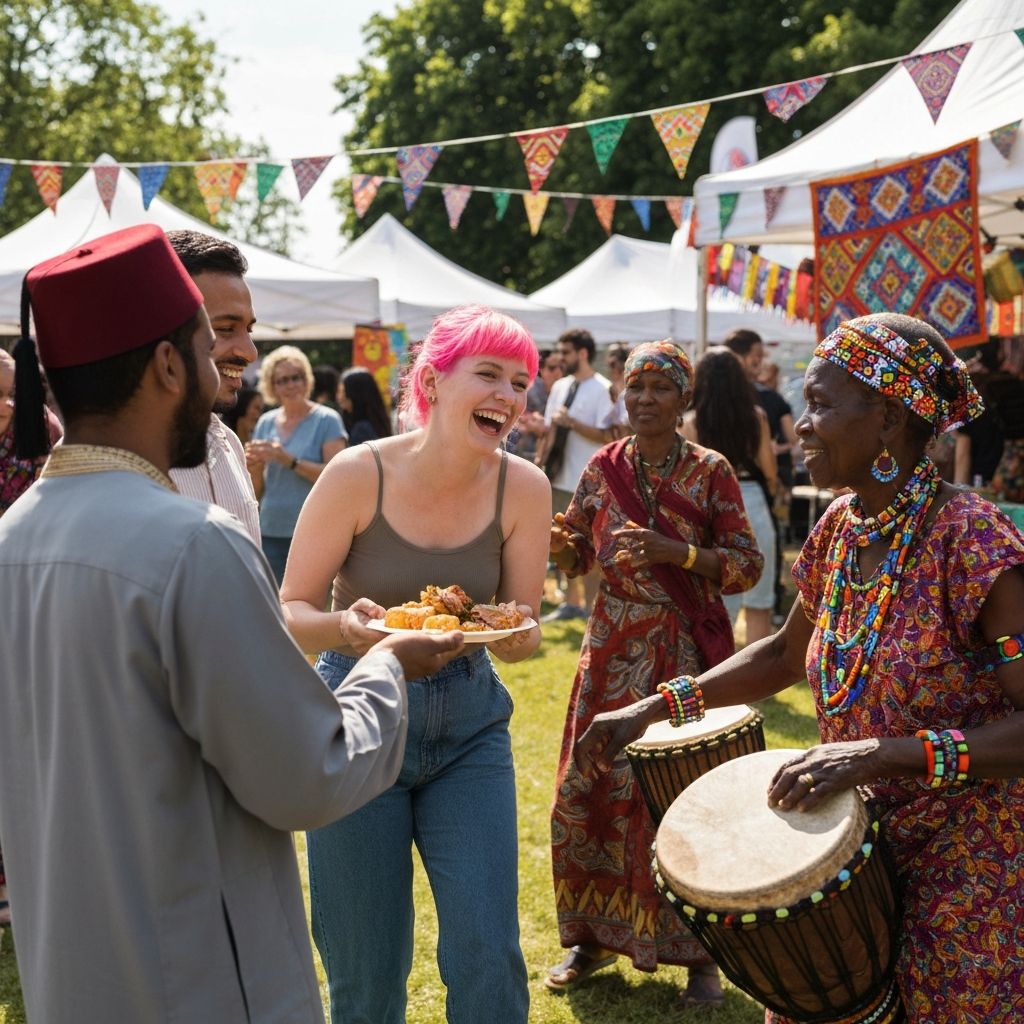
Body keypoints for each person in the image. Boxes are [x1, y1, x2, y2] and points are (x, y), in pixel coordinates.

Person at [0, 224, 467, 1023]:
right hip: (198, 974)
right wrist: (388, 666)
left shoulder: (13, 540)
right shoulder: (190, 542)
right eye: (209, 340)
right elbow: (308, 773)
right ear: (168, 364)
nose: (233, 359)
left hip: (71, 977)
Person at [575, 313, 1024, 1024]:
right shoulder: (840, 529)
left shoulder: (971, 540)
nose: (802, 425)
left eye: (819, 404)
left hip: (969, 858)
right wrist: (654, 706)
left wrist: (884, 754)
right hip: (849, 841)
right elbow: (786, 654)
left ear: (887, 418)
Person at [279, 305, 551, 1024]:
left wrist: (519, 635)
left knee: (489, 955)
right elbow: (291, 611)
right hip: (359, 716)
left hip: (470, 728)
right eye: (488, 374)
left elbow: (522, 622)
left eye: (519, 383)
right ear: (431, 381)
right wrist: (347, 628)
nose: (507, 396)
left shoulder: (525, 487)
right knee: (364, 971)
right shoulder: (356, 473)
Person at [546, 341, 764, 1009]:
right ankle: (589, 937)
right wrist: (561, 548)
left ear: (683, 399)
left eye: (659, 388)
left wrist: (680, 553)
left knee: (679, 797)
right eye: (634, 387)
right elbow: (577, 555)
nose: (644, 399)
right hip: (608, 650)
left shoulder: (709, 471)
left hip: (680, 658)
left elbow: (747, 565)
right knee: (588, 789)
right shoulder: (602, 468)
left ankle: (701, 957)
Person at [165, 229, 262, 543]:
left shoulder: (228, 442)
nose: (249, 352)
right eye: (226, 329)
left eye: (248, 330)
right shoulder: (114, 466)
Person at [683, 346, 777, 644]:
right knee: (759, 599)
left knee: (718, 597)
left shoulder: (691, 423)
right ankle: (758, 669)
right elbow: (770, 470)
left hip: (710, 506)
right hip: (753, 500)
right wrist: (774, 491)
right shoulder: (756, 417)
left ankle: (719, 666)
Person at [246, 345, 347, 583]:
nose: (291, 385)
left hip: (312, 529)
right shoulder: (266, 422)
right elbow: (257, 489)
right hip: (270, 527)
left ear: (306, 379)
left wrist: (288, 460)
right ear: (272, 386)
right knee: (272, 600)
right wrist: (253, 467)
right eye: (282, 380)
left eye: (296, 377)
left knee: (306, 600)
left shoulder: (327, 420)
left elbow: (338, 478)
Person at [536, 327, 614, 620]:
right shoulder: (560, 386)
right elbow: (549, 429)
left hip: (588, 482)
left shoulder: (603, 388)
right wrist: (540, 461)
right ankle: (571, 603)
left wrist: (573, 423)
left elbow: (608, 435)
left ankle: (593, 608)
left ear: (582, 353)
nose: (560, 357)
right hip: (557, 477)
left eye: (566, 352)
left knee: (591, 547)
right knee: (562, 542)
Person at [509, 346, 561, 460]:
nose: (558, 373)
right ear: (540, 369)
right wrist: (529, 422)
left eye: (562, 367)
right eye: (552, 368)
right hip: (518, 452)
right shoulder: (528, 388)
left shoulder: (564, 391)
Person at [337, 365, 392, 444]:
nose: (339, 397)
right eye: (339, 391)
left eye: (343, 391)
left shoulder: (362, 429)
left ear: (356, 394)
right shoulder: (377, 423)